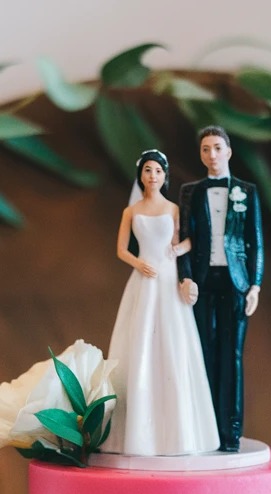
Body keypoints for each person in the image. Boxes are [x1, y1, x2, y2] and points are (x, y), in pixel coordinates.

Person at [100, 149, 220, 457]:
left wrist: (178, 252)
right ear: (140, 175)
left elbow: (190, 239)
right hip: (144, 279)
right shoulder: (131, 212)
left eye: (158, 171)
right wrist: (138, 264)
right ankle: (136, 432)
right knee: (139, 341)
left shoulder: (174, 208)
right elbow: (120, 250)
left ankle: (180, 433)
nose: (153, 176)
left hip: (167, 279)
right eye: (148, 170)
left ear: (165, 176)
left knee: (174, 341)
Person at [177, 127, 264, 451]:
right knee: (202, 354)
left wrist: (254, 284)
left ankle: (230, 432)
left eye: (216, 148)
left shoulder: (247, 191)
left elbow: (255, 241)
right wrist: (184, 278)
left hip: (235, 282)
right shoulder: (190, 192)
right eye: (205, 150)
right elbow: (182, 237)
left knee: (232, 355)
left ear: (228, 151)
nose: (211, 155)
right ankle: (203, 429)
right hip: (201, 281)